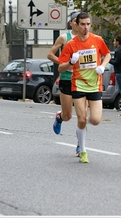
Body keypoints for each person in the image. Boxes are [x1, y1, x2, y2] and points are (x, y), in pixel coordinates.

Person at [57, 12, 111, 164]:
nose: (86, 27)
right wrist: (70, 63)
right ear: (77, 25)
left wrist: (102, 65)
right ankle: (83, 149)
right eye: (83, 24)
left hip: (95, 85)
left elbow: (107, 54)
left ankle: (81, 131)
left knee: (95, 120)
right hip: (78, 84)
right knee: (81, 119)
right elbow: (60, 68)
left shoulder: (97, 40)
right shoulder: (71, 44)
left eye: (88, 24)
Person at [47, 11, 82, 156]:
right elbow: (50, 54)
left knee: (82, 115)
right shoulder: (64, 37)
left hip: (83, 80)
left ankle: (81, 144)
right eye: (75, 20)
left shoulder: (88, 38)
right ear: (71, 23)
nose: (77, 23)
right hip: (67, 78)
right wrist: (65, 63)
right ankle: (59, 117)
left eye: (79, 21)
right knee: (68, 115)